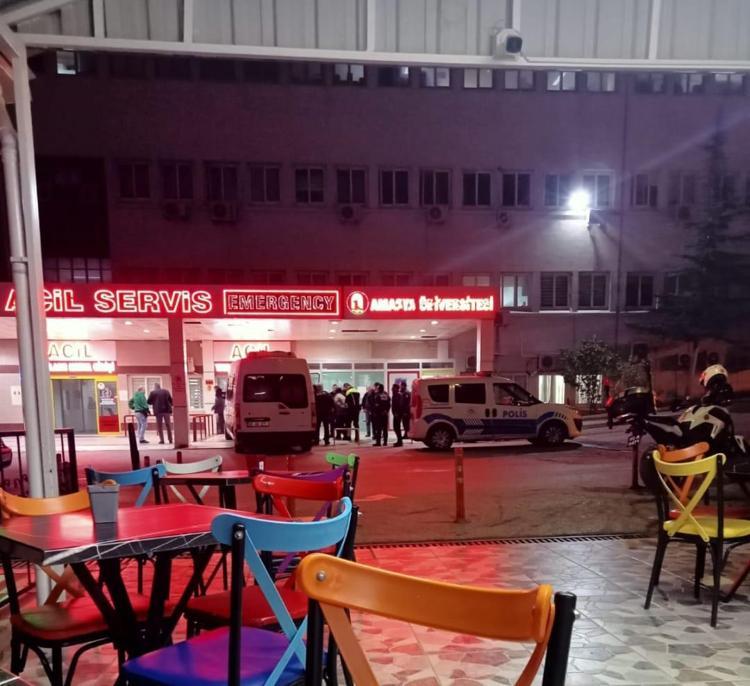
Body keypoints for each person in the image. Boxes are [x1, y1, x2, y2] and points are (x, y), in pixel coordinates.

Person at [371, 382, 391, 447]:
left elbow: (376, 405)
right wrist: (386, 411)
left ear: (379, 388)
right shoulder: (386, 395)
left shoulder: (377, 395)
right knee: (385, 429)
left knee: (378, 428)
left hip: (379, 414)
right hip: (385, 414)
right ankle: (385, 442)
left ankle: (378, 442)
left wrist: (376, 412)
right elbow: (389, 404)